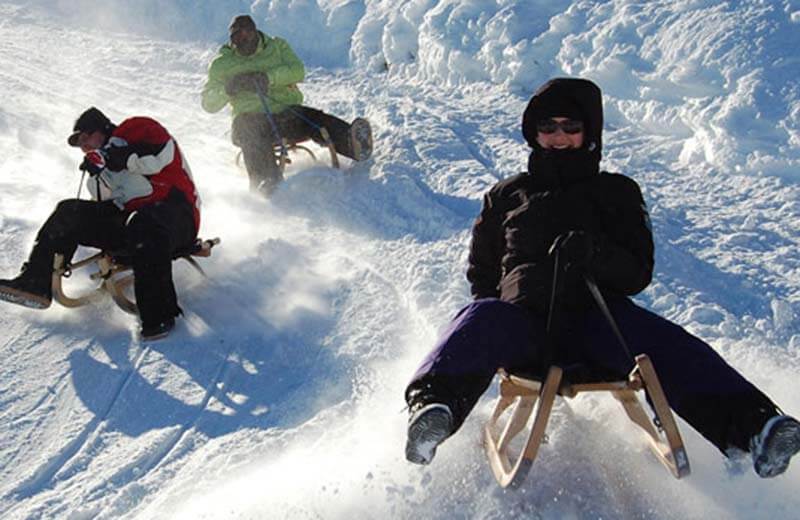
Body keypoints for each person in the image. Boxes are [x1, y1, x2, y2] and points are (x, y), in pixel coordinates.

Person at [403, 78, 800, 479]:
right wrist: (498, 319)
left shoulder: (617, 192)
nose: (559, 137)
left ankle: (757, 428)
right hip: (525, 327)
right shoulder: (506, 195)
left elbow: (638, 271)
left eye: (570, 127)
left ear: (589, 131)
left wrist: (594, 253)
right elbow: (482, 272)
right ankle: (432, 409)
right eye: (548, 127)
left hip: (597, 323)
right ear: (533, 131)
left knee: (661, 340)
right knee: (481, 314)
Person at [0, 107, 201, 340]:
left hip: (175, 214)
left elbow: (159, 157)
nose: (84, 146)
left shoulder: (137, 128)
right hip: (133, 228)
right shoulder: (103, 168)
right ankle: (35, 282)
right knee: (70, 210)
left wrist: (115, 157)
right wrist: (99, 172)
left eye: (86, 137)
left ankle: (159, 314)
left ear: (103, 129)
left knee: (145, 222)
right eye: (79, 143)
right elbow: (105, 205)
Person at [201, 14, 373, 196]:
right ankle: (265, 182)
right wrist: (229, 88)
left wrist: (269, 78)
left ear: (255, 33)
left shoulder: (277, 47)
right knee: (249, 129)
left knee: (312, 118)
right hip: (249, 120)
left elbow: (297, 70)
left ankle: (351, 142)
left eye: (247, 36)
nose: (243, 42)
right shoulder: (221, 64)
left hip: (285, 113)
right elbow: (208, 104)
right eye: (237, 38)